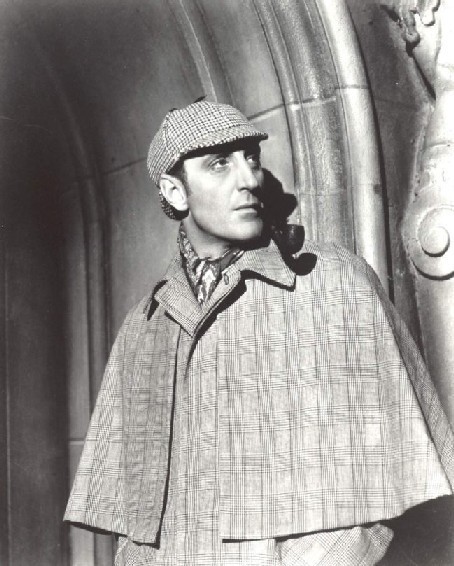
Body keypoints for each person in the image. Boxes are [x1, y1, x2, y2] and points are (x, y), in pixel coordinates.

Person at [65, 100, 454, 565]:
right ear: (175, 191)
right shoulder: (144, 325)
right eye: (219, 163)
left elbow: (405, 477)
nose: (249, 178)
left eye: (250, 157)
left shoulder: (334, 280)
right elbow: (130, 517)